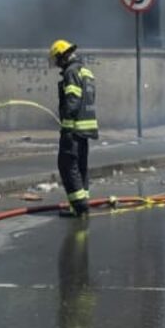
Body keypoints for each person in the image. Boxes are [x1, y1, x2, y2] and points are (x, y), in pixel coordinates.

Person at [50, 40, 98, 217]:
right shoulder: (86, 71)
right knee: (80, 166)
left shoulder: (71, 72)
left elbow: (73, 100)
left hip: (73, 128)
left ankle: (79, 206)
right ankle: (82, 202)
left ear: (62, 56)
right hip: (86, 128)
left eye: (57, 59)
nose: (57, 64)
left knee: (67, 166)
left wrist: (65, 116)